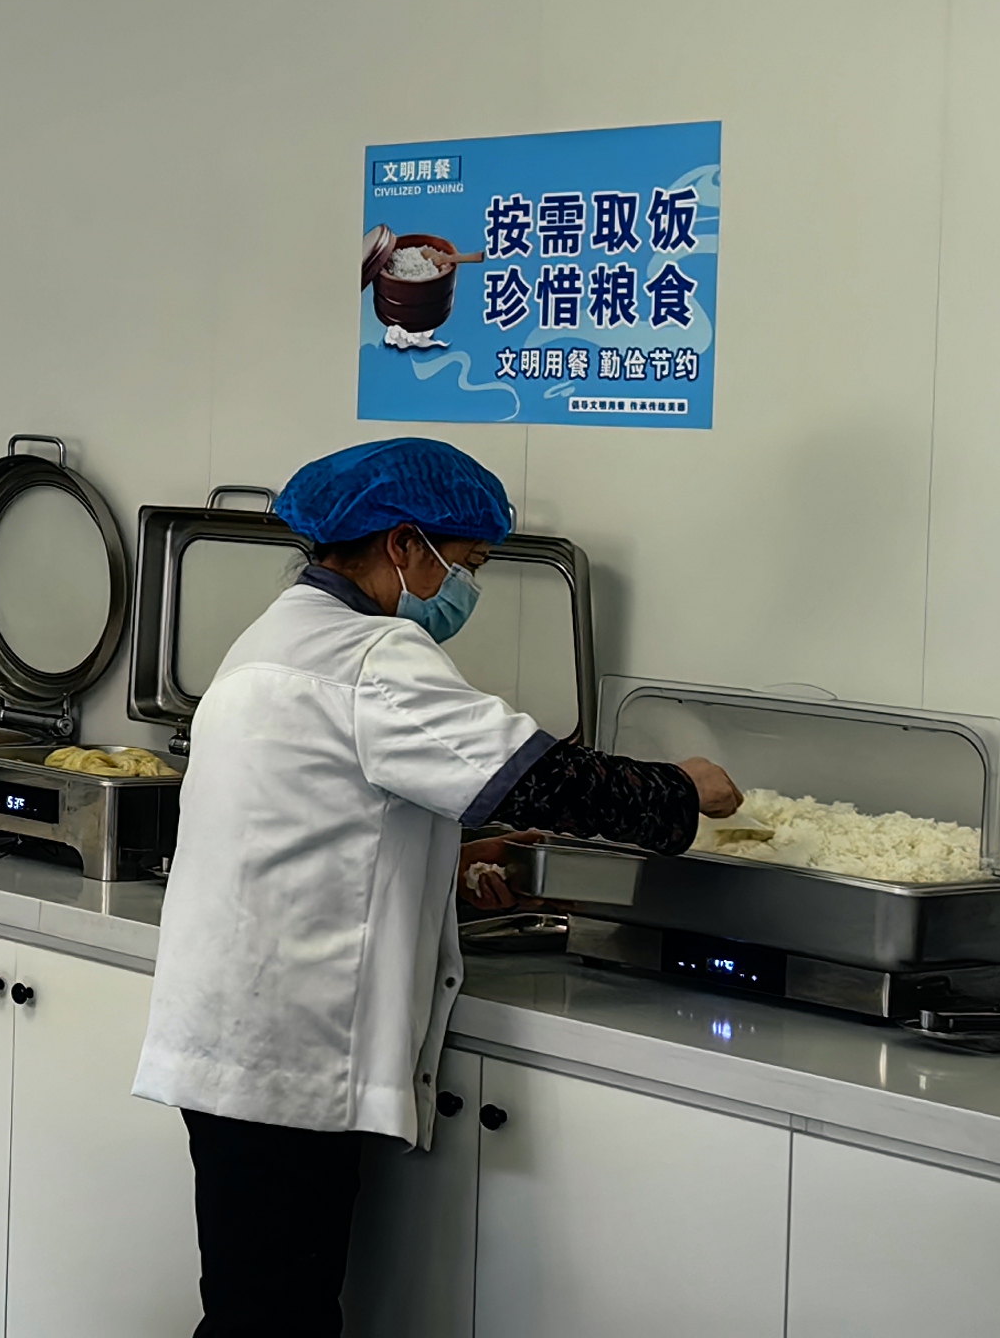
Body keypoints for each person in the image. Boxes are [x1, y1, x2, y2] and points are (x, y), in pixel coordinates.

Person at [132, 438, 739, 1338]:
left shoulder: (276, 638)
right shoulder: (373, 656)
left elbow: (315, 815)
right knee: (274, 1322)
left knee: (259, 1310)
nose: (466, 587)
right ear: (404, 545)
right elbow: (544, 779)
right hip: (288, 1049)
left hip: (238, 1034)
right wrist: (681, 792)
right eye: (468, 563)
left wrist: (444, 859)